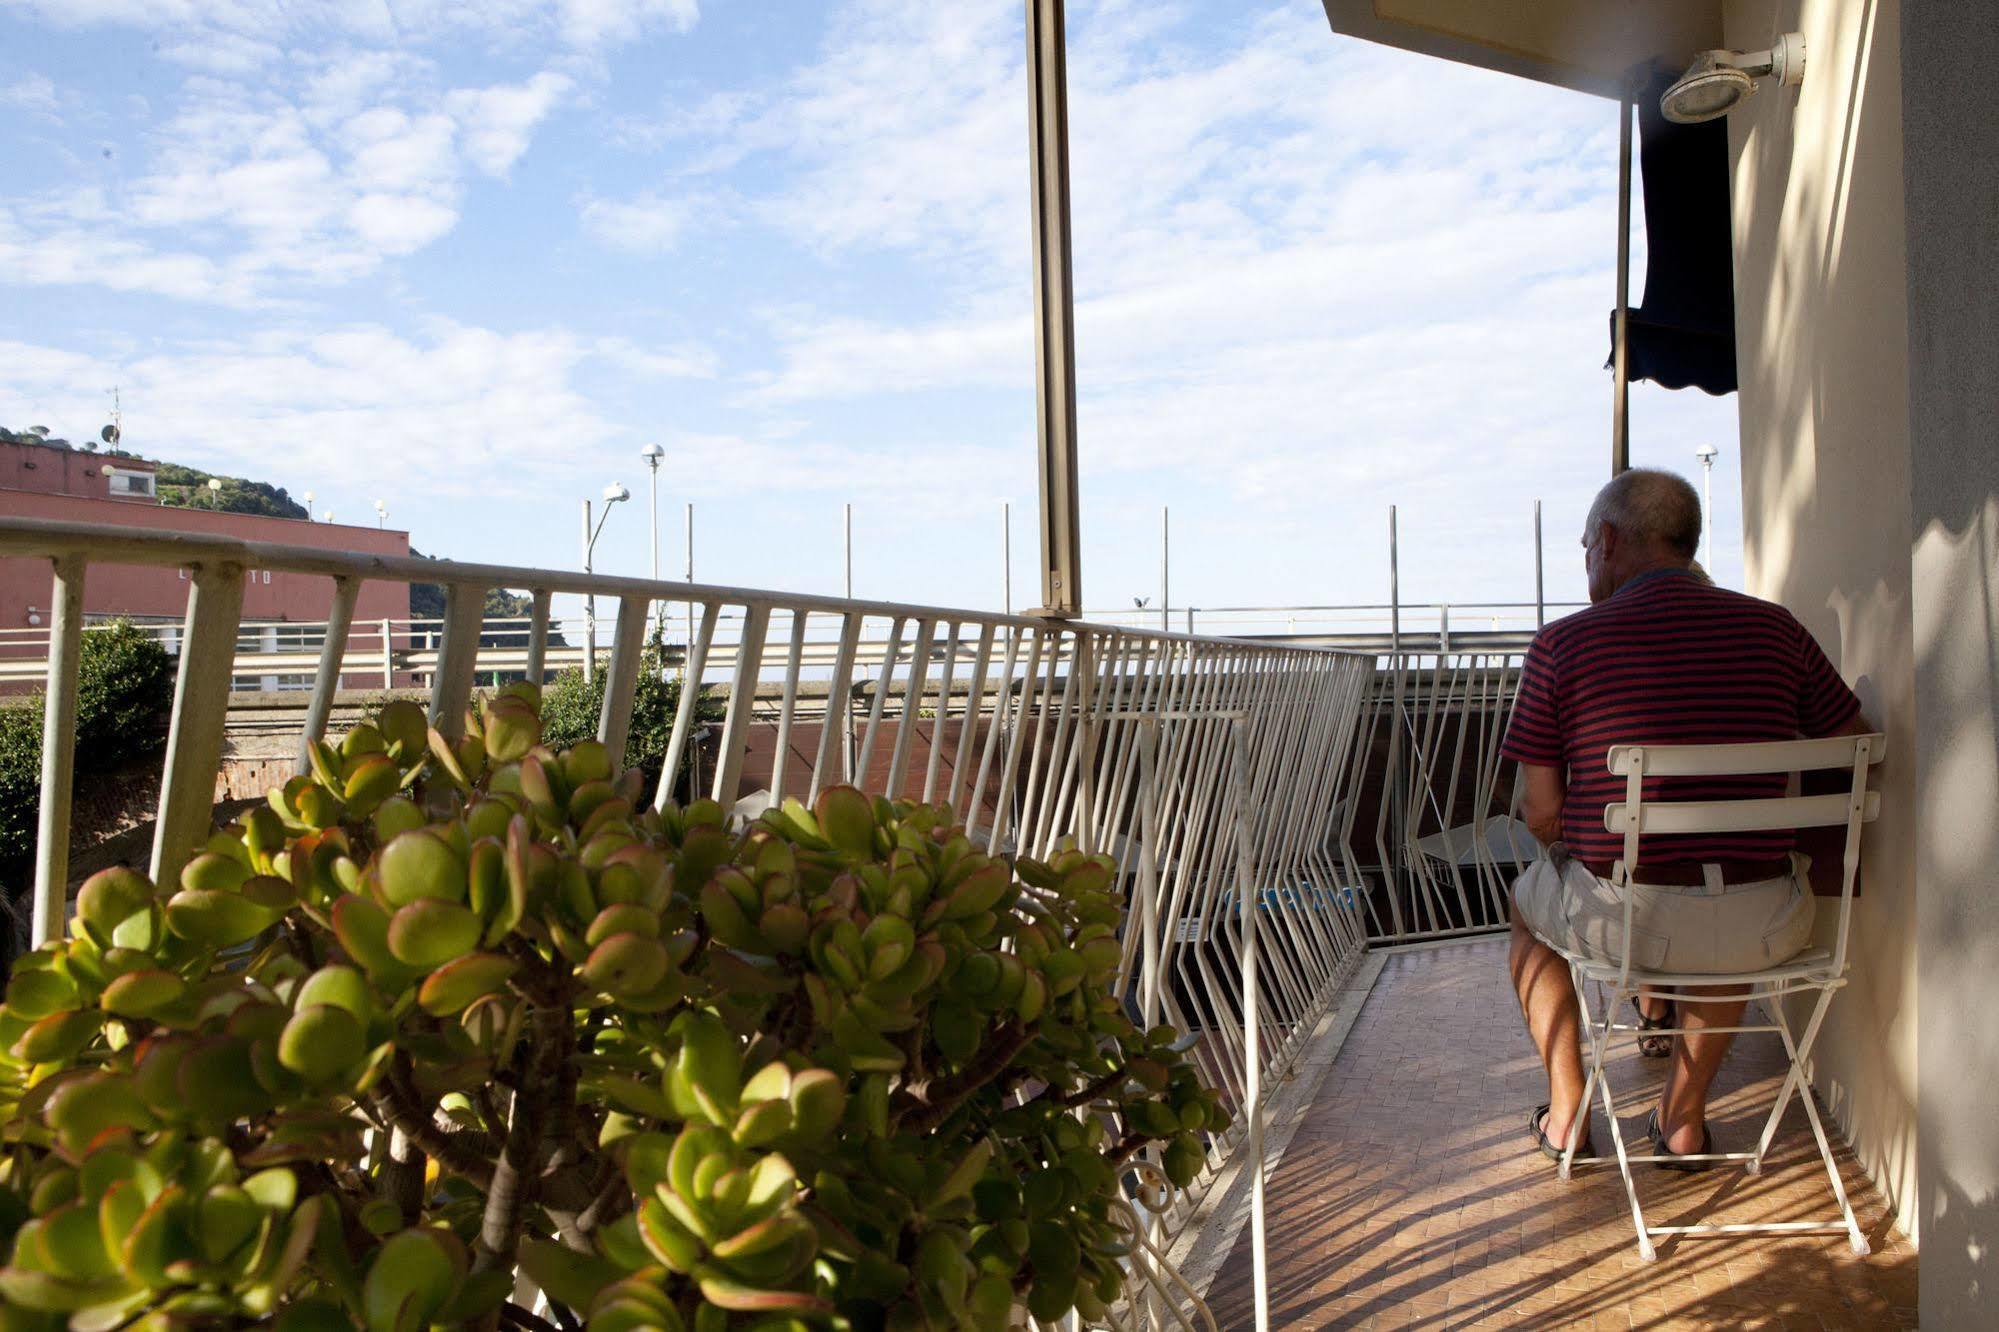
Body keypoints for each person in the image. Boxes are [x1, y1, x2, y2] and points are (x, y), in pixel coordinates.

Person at [1500, 469, 1866, 1168]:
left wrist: (1576, 838)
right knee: (1727, 898)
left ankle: (1568, 1116)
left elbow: (1540, 811)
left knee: (1526, 909)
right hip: (1771, 923)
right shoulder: (1776, 629)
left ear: (1606, 541)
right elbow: (1855, 746)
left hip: (1629, 918)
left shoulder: (1562, 645)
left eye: (1584, 547)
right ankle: (1681, 1120)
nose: (1585, 561)